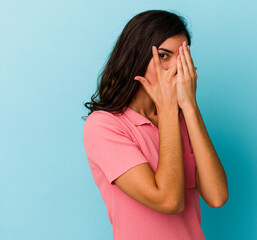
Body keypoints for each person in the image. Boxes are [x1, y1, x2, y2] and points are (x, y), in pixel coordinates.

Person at [82, 9, 228, 239]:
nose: (174, 68)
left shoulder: (182, 119)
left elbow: (217, 196)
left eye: (182, 58)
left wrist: (190, 107)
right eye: (163, 55)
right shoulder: (104, 126)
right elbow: (169, 201)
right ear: (136, 57)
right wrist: (169, 108)